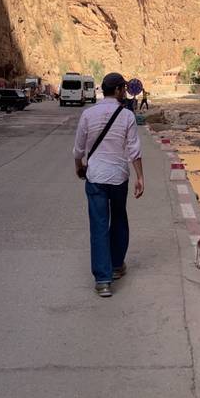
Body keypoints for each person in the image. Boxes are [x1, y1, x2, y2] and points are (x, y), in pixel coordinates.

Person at [73, 72, 144, 297]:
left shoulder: (88, 114)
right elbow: (134, 150)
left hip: (95, 178)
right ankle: (116, 265)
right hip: (118, 177)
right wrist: (140, 177)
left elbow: (79, 148)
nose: (125, 91)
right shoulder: (127, 116)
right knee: (119, 220)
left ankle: (103, 281)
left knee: (99, 226)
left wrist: (79, 166)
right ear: (117, 90)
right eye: (123, 88)